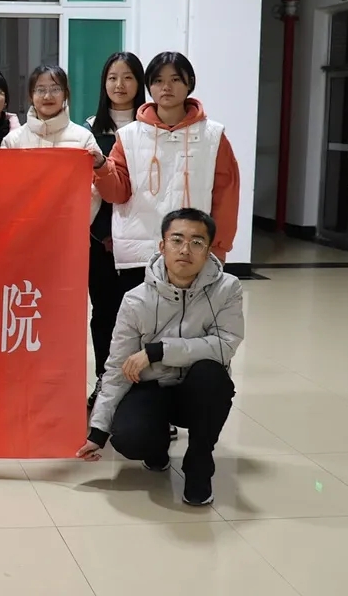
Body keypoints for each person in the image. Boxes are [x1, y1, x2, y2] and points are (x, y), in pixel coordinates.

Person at [78, 208, 242, 507]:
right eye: (177, 240)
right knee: (130, 439)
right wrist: (98, 431)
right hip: (151, 388)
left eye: (196, 242)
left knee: (212, 375)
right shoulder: (136, 299)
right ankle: (156, 446)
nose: (185, 249)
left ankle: (199, 463)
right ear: (162, 246)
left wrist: (157, 351)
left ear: (208, 250)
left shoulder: (227, 288)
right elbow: (116, 367)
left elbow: (225, 345)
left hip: (196, 392)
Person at [94, 52, 241, 294]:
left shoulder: (213, 136)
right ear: (149, 86)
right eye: (158, 81)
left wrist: (218, 248)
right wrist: (101, 167)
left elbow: (226, 198)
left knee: (188, 318)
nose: (166, 87)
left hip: (191, 254)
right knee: (139, 318)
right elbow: (116, 194)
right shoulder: (128, 136)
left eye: (175, 80)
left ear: (189, 83)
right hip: (138, 256)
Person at [84, 52, 147, 407]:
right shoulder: (89, 129)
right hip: (99, 240)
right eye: (112, 77)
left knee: (142, 316)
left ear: (140, 83)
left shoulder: (151, 127)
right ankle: (105, 382)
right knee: (104, 313)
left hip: (142, 240)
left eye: (127, 77)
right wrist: (103, 232)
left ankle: (142, 387)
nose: (119, 85)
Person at [1, 65, 103, 224]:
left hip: (68, 230)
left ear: (65, 94)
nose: (48, 96)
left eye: (55, 89)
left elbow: (95, 190)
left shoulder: (84, 139)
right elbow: (4, 189)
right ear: (31, 96)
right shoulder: (12, 141)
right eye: (40, 90)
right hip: (22, 230)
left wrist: (69, 221)